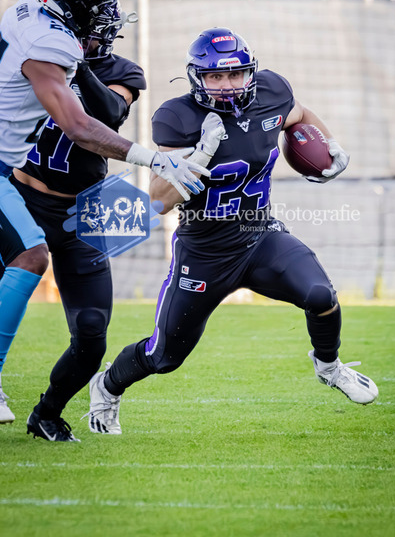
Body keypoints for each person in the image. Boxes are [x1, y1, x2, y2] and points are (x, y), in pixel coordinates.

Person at [84, 27, 379, 435]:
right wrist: (202, 153)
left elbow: (299, 115)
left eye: (236, 74)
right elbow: (159, 200)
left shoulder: (272, 91)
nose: (227, 85)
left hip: (260, 236)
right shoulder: (178, 117)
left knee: (321, 295)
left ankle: (329, 366)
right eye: (215, 76)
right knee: (163, 356)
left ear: (251, 72)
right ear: (197, 78)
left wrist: (328, 145)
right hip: (204, 251)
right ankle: (106, 387)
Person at [0, 0, 209, 427]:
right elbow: (73, 122)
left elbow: (109, 114)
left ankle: (47, 414)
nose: (101, 29)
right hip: (23, 192)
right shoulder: (46, 45)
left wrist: (80, 64)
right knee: (21, 267)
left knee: (92, 331)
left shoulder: (120, 70)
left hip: (85, 208)